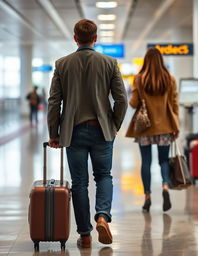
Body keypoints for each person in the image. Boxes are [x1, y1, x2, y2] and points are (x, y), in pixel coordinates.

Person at [47, 19, 127, 248]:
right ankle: (102, 216)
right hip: (102, 130)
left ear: (75, 38)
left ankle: (85, 234)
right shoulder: (109, 62)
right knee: (104, 176)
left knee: (79, 183)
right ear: (95, 38)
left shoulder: (62, 64)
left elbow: (54, 102)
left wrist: (54, 132)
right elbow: (121, 99)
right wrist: (115, 124)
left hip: (73, 132)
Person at [126, 47, 179, 213]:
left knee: (146, 162)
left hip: (145, 128)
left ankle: (147, 196)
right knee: (163, 161)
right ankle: (165, 186)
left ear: (146, 61)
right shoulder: (169, 79)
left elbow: (133, 103)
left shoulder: (139, 79)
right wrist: (175, 126)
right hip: (165, 127)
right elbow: (174, 104)